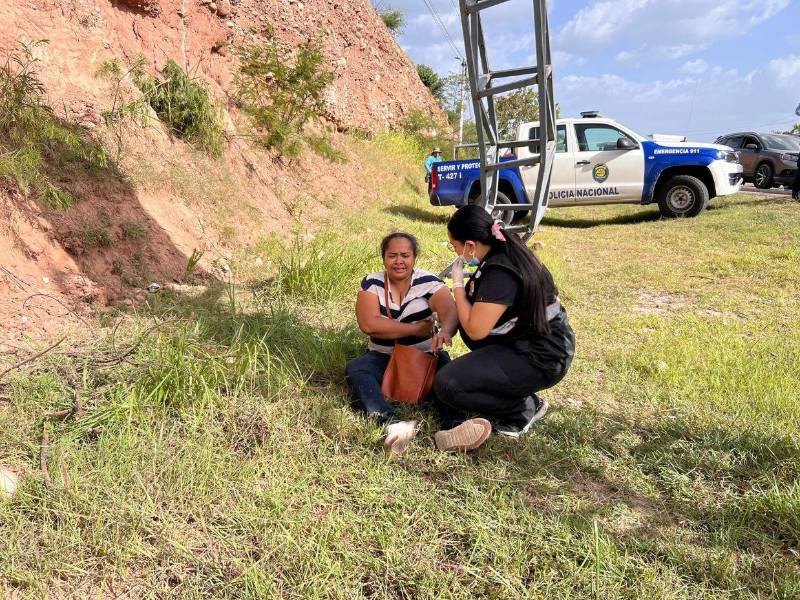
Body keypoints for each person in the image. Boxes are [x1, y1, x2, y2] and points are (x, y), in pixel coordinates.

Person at [430, 204, 576, 452]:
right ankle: (515, 393)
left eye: (455, 246)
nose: (456, 253)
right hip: (531, 344)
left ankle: (522, 409)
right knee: (462, 366)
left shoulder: (500, 272)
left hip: (541, 357)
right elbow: (472, 312)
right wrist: (447, 328)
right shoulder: (502, 253)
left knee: (447, 384)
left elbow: (476, 328)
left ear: (470, 244)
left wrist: (456, 284)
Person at [346, 232, 458, 455]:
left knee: (449, 378)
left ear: (414, 257)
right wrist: (418, 328)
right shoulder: (372, 283)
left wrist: (444, 331)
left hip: (426, 357)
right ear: (383, 258)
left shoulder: (430, 283)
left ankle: (455, 428)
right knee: (357, 370)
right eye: (392, 255)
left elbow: (450, 312)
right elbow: (369, 325)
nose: (399, 261)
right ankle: (392, 425)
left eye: (405, 255)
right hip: (383, 356)